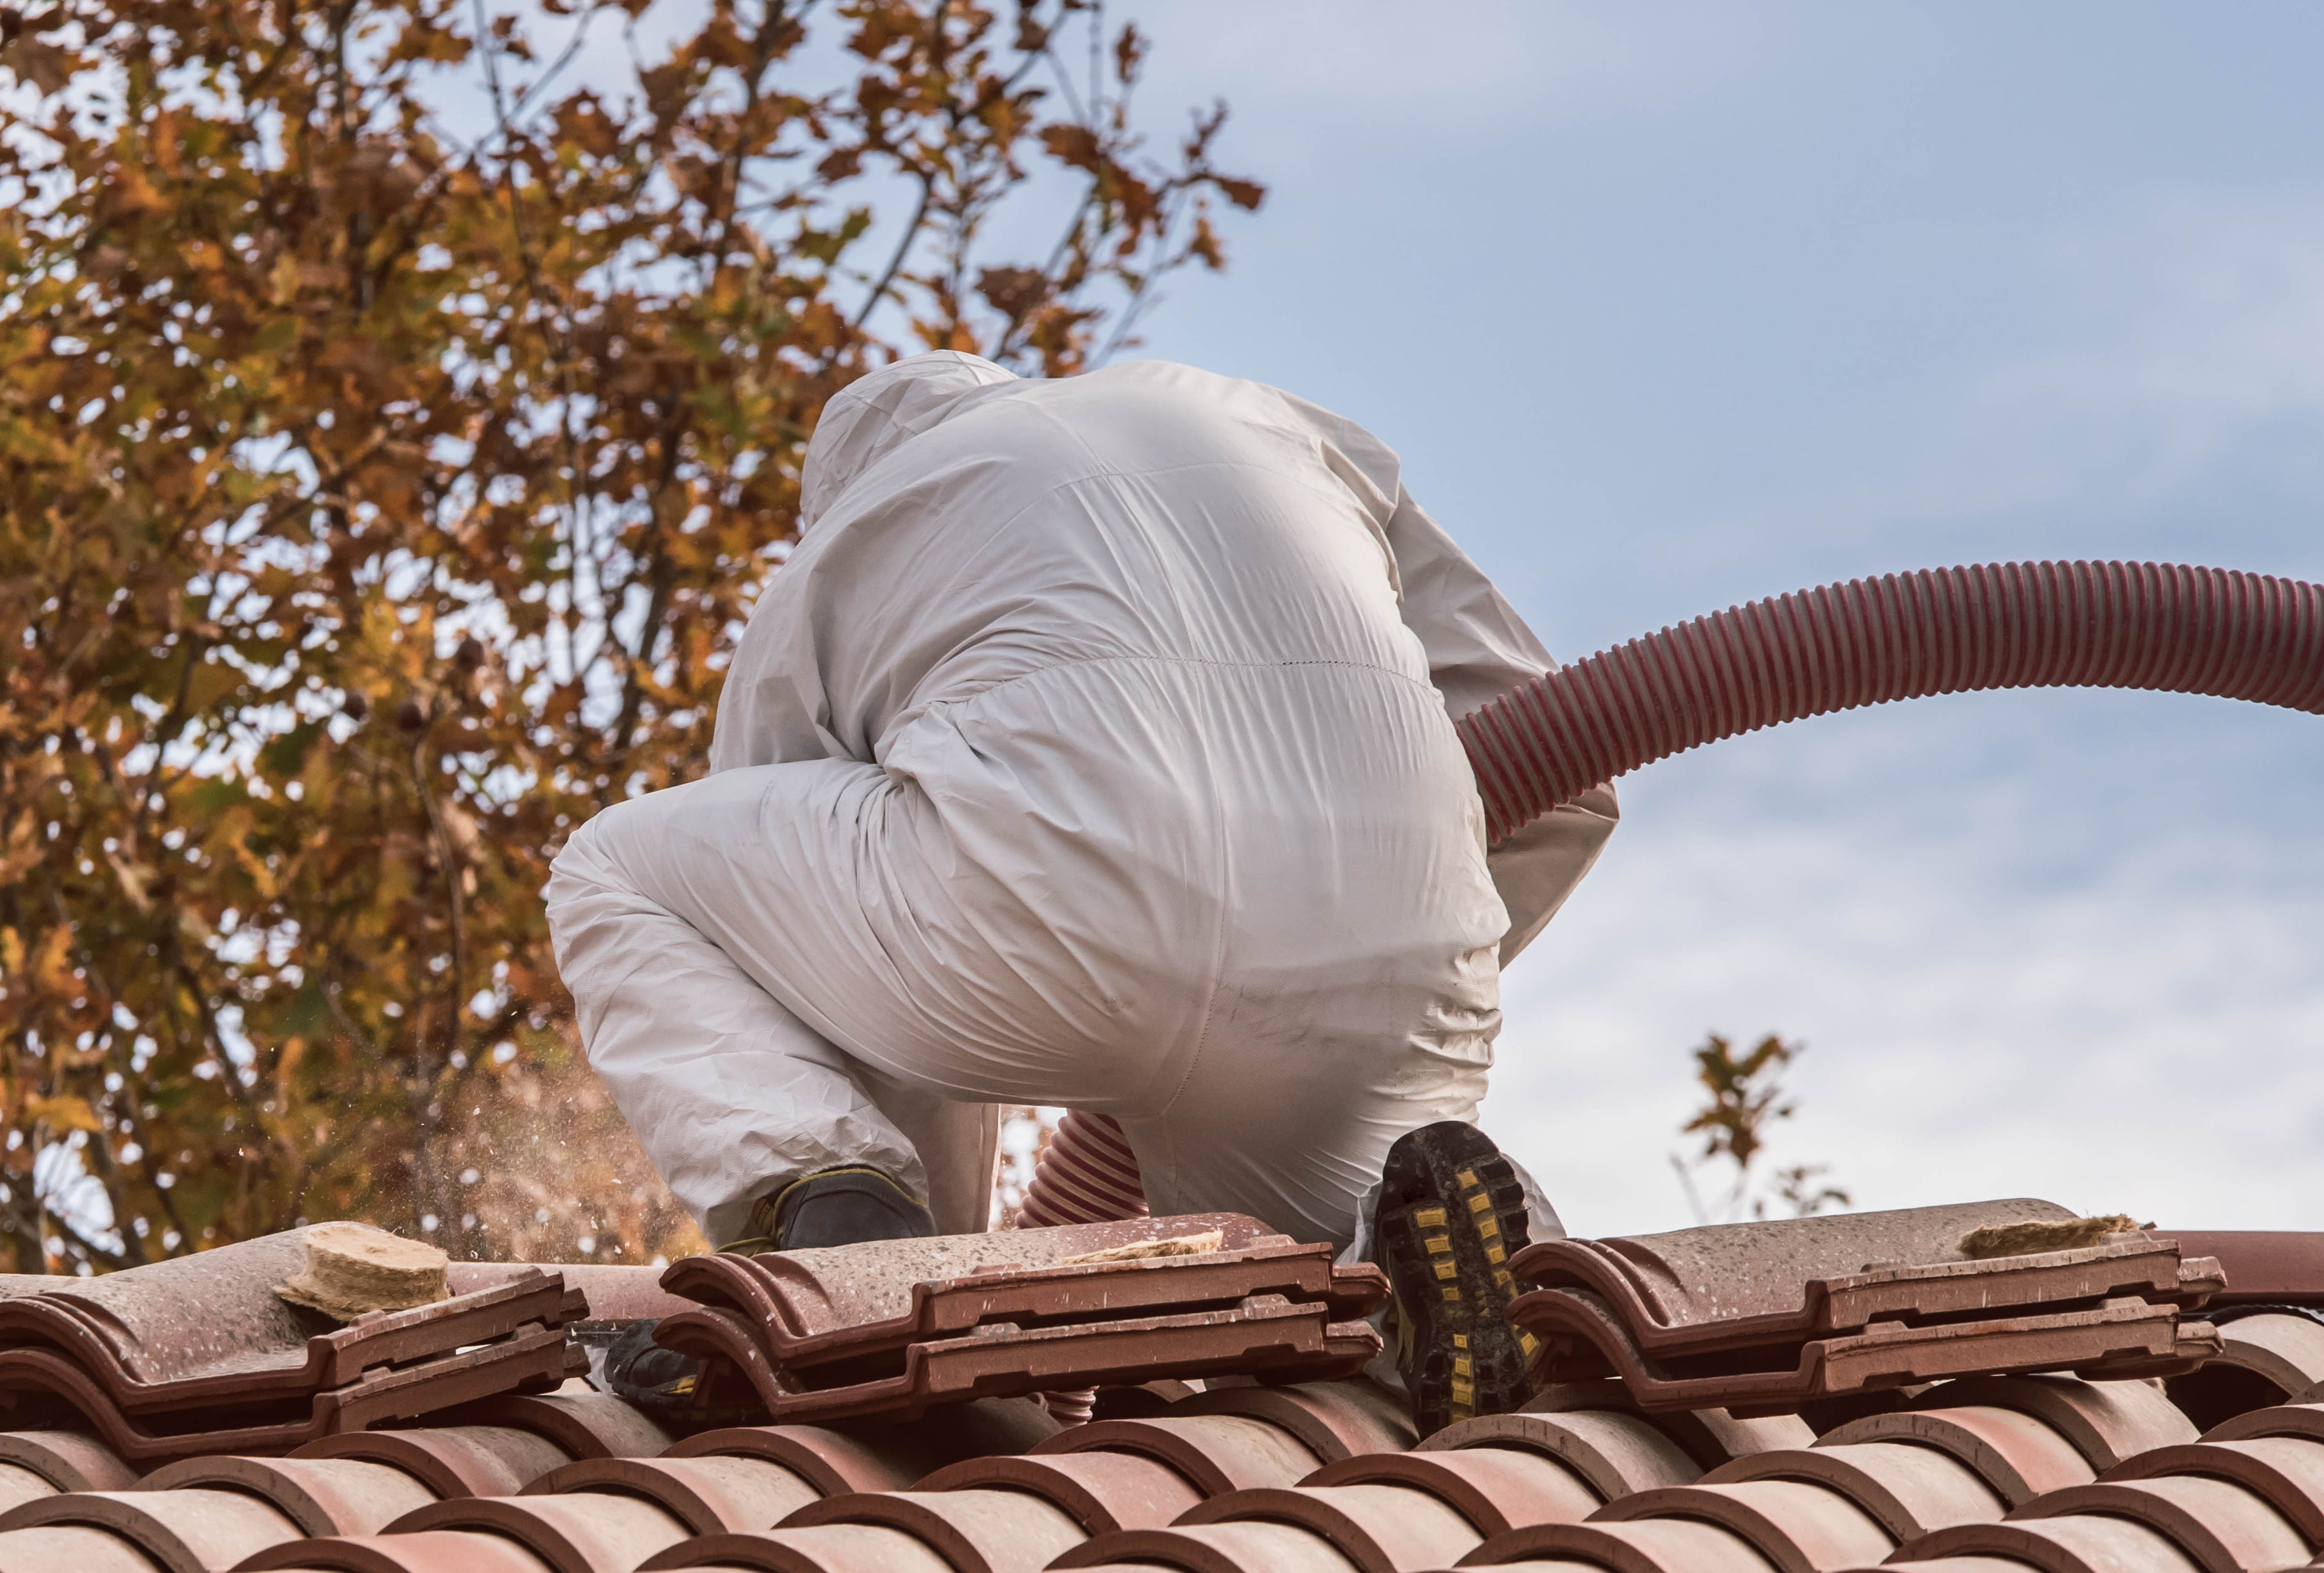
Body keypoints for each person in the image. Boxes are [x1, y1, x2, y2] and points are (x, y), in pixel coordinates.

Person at [544, 351, 1618, 1424]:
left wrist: (925, 1274)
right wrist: (1372, 960)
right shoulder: (1271, 421)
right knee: (1346, 1268)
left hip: (1062, 927)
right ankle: (1503, 1295)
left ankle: (846, 1249)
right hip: (1398, 941)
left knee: (616, 867)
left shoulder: (852, 534)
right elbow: (1563, 775)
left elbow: (795, 979)